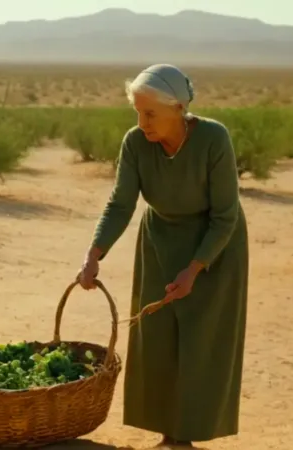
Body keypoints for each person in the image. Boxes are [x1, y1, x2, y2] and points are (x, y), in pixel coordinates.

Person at [77, 64, 249, 448]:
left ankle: (186, 434)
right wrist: (94, 255)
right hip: (160, 241)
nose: (143, 123)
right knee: (156, 335)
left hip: (216, 247)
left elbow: (226, 216)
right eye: (137, 112)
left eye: (150, 113)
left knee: (202, 341)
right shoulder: (135, 143)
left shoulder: (213, 139)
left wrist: (194, 269)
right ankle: (167, 432)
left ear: (179, 109)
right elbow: (120, 204)